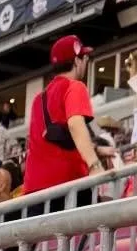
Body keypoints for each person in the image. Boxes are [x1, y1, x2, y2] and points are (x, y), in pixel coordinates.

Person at [23, 36, 104, 197]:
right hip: (67, 186)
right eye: (84, 57)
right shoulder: (74, 86)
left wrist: (98, 149)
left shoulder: (39, 98)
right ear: (76, 61)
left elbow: (52, 140)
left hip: (34, 192)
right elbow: (75, 125)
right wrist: (95, 165)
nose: (86, 61)